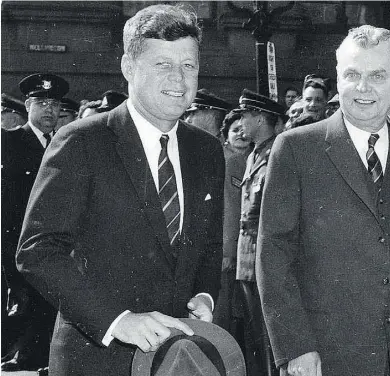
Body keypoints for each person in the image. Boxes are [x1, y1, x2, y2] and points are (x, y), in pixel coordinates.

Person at [15, 5, 224, 375]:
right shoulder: (82, 141)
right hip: (97, 357)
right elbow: (38, 251)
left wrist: (205, 296)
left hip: (178, 358)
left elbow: (208, 246)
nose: (179, 79)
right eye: (163, 64)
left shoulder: (206, 150)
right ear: (129, 68)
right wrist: (118, 320)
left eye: (188, 65)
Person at [256, 25, 390, 376]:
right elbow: (273, 257)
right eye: (352, 74)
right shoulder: (297, 149)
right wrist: (295, 349)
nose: (363, 88)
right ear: (338, 79)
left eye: (377, 75)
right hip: (325, 356)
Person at [1, 72, 69, 373]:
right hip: (15, 238)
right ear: (28, 105)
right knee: (20, 302)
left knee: (49, 302)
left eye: (54, 104)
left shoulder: (67, 145)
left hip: (55, 242)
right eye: (41, 103)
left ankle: (40, 357)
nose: (49, 111)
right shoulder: (10, 141)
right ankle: (17, 353)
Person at [216, 89, 285, 376]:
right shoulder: (254, 154)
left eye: (245, 116)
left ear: (260, 117)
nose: (241, 123)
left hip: (264, 260)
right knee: (253, 336)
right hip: (248, 260)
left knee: (267, 339)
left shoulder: (279, 153)